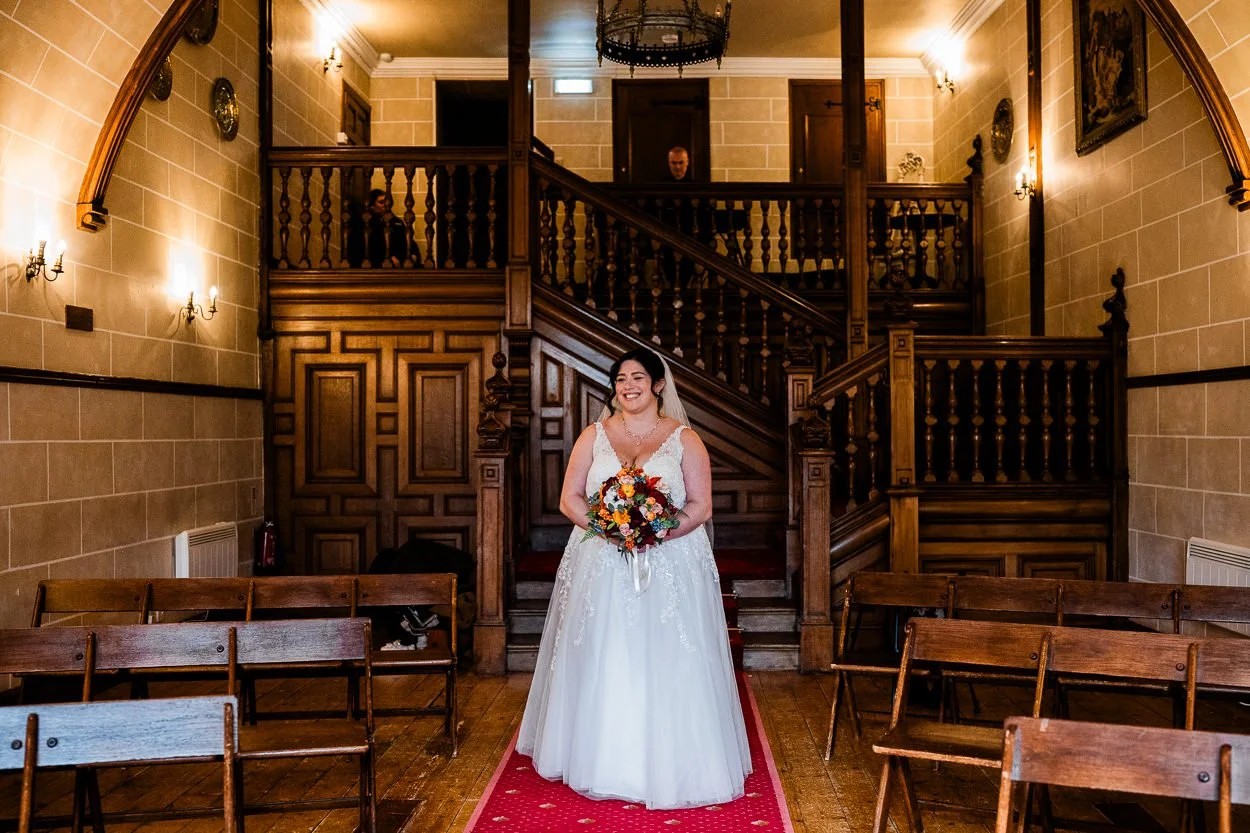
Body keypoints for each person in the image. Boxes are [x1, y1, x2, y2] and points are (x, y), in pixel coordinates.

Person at [517, 347, 751, 810]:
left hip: (669, 564)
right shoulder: (593, 435)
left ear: (658, 384)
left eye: (638, 377)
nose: (628, 385)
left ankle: (674, 761)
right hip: (602, 561)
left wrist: (655, 531)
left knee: (666, 655)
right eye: (621, 378)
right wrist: (611, 529)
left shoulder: (685, 439)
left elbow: (701, 506)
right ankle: (606, 759)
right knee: (608, 651)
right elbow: (570, 498)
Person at [347, 189, 411, 268]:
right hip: (375, 266)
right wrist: (389, 257)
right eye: (381, 202)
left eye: (386, 202)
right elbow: (371, 246)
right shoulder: (363, 223)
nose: (385, 205)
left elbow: (405, 241)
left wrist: (411, 256)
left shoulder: (396, 222)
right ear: (372, 206)